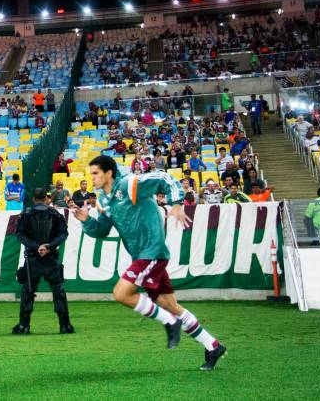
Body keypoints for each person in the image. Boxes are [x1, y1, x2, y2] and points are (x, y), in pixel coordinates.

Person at [69, 155, 226, 371]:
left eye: (95, 173)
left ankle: (170, 323)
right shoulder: (103, 201)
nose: (92, 178)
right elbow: (102, 230)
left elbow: (164, 178)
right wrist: (86, 220)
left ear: (108, 173)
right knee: (170, 305)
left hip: (152, 251)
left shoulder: (130, 183)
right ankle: (213, 345)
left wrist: (177, 204)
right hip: (142, 256)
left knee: (122, 293)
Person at [12, 187, 74, 335]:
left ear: (33, 199)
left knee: (28, 291)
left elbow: (19, 235)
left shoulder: (26, 215)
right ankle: (64, 325)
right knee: (58, 291)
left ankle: (24, 325)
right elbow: (63, 234)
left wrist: (36, 246)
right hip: (51, 258)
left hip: (33, 258)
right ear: (46, 199)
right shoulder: (55, 214)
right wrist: (49, 246)